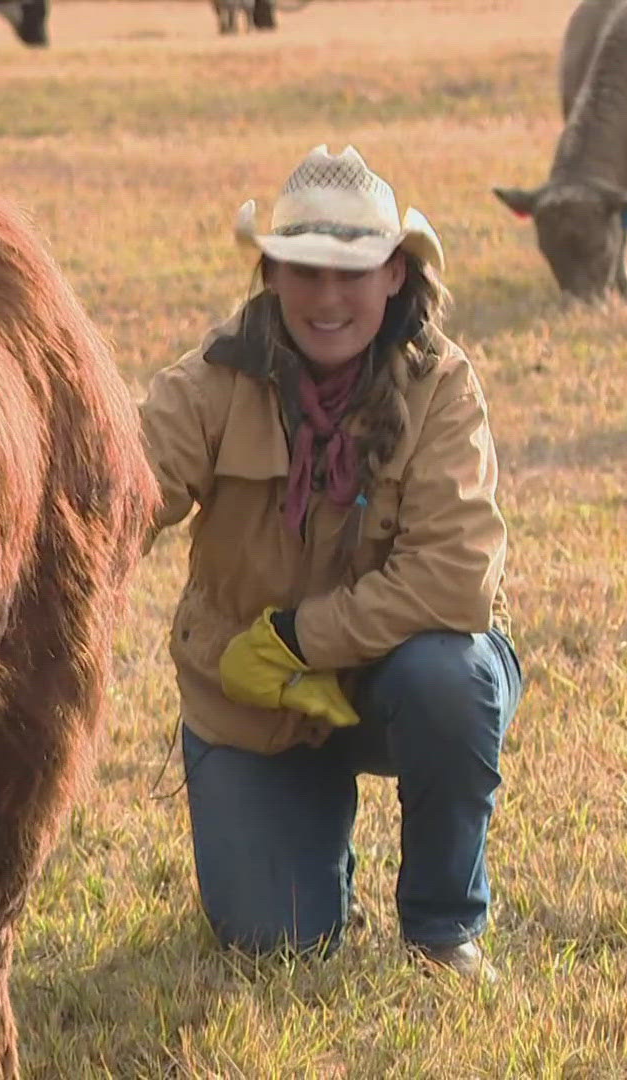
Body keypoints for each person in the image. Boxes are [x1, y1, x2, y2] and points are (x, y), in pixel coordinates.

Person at [138, 145, 523, 981]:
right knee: (274, 945)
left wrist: (298, 638)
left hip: (393, 682)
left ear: (394, 276)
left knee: (452, 680)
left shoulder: (442, 386)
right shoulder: (213, 381)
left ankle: (442, 928)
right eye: (306, 271)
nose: (329, 297)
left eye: (353, 272)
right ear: (272, 274)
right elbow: (118, 492)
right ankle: (314, 870)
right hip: (250, 704)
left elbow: (455, 578)